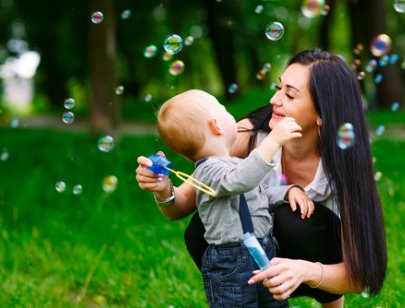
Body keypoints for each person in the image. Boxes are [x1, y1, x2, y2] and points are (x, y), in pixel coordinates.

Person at [135, 49, 387, 307]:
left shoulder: (345, 166)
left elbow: (361, 275)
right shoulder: (249, 135)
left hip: (311, 257)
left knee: (297, 220)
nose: (274, 100)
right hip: (242, 259)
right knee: (202, 226)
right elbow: (182, 204)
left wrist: (305, 271)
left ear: (322, 114)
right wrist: (163, 190)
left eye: (289, 94)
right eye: (278, 87)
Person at [149, 89, 314, 307]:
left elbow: (260, 192)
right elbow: (241, 180)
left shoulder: (235, 164)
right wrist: (272, 141)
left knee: (275, 304)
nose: (232, 116)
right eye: (225, 110)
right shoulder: (208, 171)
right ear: (216, 125)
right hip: (231, 261)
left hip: (262, 249)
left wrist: (288, 191)